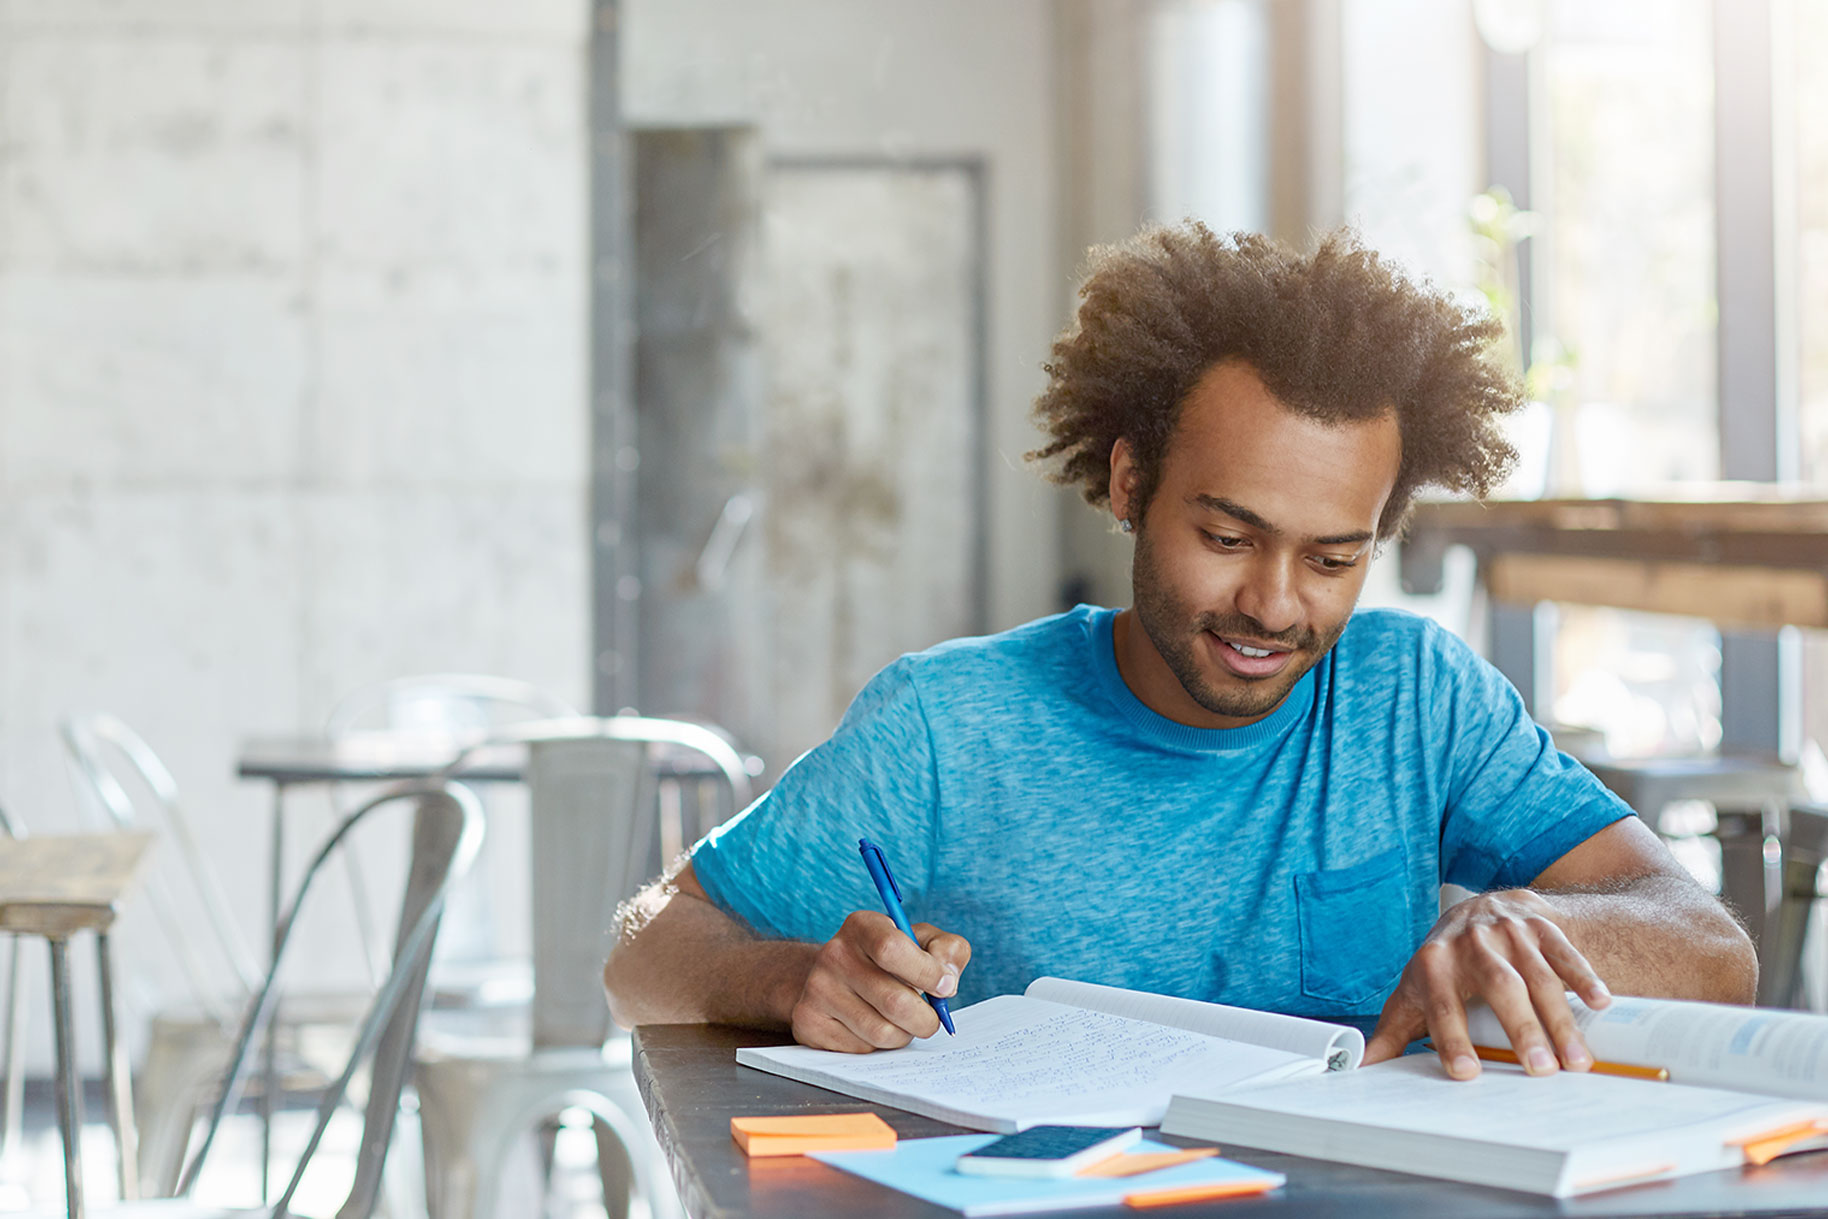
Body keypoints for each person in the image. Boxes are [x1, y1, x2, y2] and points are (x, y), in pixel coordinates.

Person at [603, 223, 1756, 1080]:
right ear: (1126, 481)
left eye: (1331, 558)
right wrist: (784, 978)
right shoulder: (949, 725)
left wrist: (1540, 922)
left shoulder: (1418, 698)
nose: (1272, 604)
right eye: (1226, 536)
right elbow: (643, 949)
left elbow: (1712, 945)